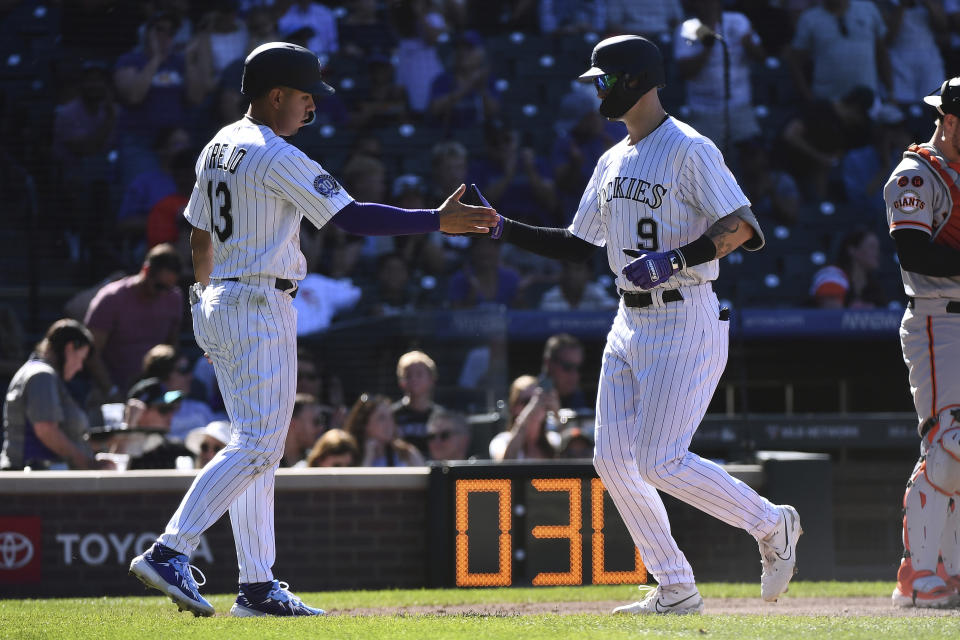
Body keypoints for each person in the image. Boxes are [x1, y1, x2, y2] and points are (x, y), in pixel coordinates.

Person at [127, 41, 497, 618]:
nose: (311, 108)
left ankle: (255, 586)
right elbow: (350, 216)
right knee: (259, 444)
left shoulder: (217, 144)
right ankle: (171, 549)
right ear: (275, 95)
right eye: (305, 96)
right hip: (256, 301)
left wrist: (205, 295)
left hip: (218, 297)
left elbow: (197, 231)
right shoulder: (274, 154)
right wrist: (436, 220)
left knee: (256, 447)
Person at [480, 35, 801, 614]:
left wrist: (677, 259)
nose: (596, 90)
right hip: (628, 321)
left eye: (603, 79)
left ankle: (771, 523)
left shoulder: (687, 148)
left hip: (686, 314)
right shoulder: (611, 159)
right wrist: (500, 226)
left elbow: (746, 229)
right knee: (612, 459)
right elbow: (580, 248)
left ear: (635, 80)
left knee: (659, 459)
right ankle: (674, 585)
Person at [883, 76, 960, 609]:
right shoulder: (917, 173)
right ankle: (919, 573)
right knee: (951, 442)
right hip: (939, 319)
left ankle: (949, 569)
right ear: (951, 122)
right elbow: (914, 252)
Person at [84, 243, 183, 399]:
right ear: (146, 271)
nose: (163, 294)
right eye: (159, 286)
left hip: (155, 394)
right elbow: (91, 352)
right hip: (112, 393)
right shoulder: (111, 298)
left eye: (168, 288)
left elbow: (172, 345)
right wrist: (111, 391)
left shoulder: (174, 298)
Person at [1, 319, 101, 471]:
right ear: (69, 349)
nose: (80, 367)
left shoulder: (45, 374)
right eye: (80, 358)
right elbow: (46, 429)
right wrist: (86, 464)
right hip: (33, 479)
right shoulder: (42, 375)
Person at [787, 0, 888, 102]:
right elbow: (795, 63)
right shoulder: (809, 19)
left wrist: (891, 92)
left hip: (868, 100)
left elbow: (882, 53)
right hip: (828, 103)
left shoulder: (868, 9)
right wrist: (809, 99)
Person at [140, 344, 215, 441]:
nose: (190, 376)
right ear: (162, 375)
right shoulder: (146, 413)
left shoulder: (201, 410)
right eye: (183, 370)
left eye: (189, 369)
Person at [809, 229, 887, 309]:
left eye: (878, 248)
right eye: (872, 247)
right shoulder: (831, 275)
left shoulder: (875, 287)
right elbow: (829, 313)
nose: (877, 253)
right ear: (852, 250)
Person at [489, 375, 561, 461]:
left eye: (540, 399)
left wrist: (557, 414)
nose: (536, 405)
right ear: (514, 407)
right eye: (527, 401)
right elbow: (504, 464)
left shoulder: (554, 440)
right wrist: (530, 410)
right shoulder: (501, 441)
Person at [344, 393, 425, 467]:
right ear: (364, 424)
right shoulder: (348, 456)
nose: (389, 423)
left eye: (391, 417)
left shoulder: (407, 453)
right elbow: (359, 482)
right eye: (381, 418)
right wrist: (368, 456)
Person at [391, 350, 441, 453]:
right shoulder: (391, 416)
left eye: (419, 374)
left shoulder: (441, 416)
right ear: (401, 381)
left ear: (432, 379)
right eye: (408, 375)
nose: (413, 379)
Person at [539, 259, 618, 311]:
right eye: (568, 269)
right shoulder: (550, 297)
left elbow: (614, 309)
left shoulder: (596, 292)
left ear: (589, 273)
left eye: (578, 269)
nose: (572, 274)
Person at [281, 393, 326, 467]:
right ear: (293, 424)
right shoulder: (267, 463)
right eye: (316, 421)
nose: (321, 427)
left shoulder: (317, 461)